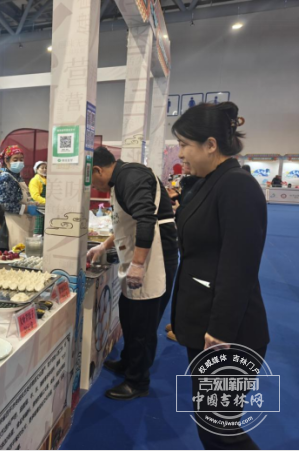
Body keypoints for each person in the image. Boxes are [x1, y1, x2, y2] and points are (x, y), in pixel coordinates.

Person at [172, 102, 269, 450]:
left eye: (184, 144)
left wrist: (221, 331)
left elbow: (238, 268)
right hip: (206, 327)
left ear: (210, 145)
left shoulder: (237, 186)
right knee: (211, 424)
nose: (180, 153)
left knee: (219, 431)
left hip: (229, 335)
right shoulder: (210, 182)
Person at [87, 147, 179, 401]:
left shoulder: (131, 177)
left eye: (92, 181)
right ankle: (128, 361)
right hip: (138, 255)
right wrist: (104, 245)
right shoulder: (120, 180)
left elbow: (145, 220)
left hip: (153, 258)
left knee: (143, 323)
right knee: (129, 314)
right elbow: (125, 223)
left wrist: (138, 264)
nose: (94, 187)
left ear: (98, 170)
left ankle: (137, 381)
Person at [0, 145, 26, 214]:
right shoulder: (5, 178)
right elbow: (5, 205)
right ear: (6, 161)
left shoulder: (17, 177)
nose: (19, 162)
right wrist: (26, 209)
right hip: (7, 218)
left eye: (21, 160)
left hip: (17, 217)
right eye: (15, 160)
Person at [29, 161, 47, 235]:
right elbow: (35, 196)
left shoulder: (46, 180)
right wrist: (47, 201)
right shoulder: (35, 180)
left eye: (46, 168)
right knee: (37, 230)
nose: (44, 169)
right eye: (42, 168)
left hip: (44, 207)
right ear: (36, 169)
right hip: (37, 207)